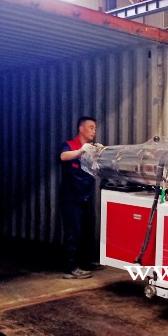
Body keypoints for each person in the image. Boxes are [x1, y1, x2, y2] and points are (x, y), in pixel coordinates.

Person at [59, 116, 104, 279]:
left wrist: (100, 152)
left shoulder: (91, 148)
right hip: (71, 197)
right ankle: (71, 267)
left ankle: (86, 261)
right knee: (73, 232)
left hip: (86, 196)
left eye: (95, 128)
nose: (94, 131)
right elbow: (63, 156)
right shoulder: (70, 145)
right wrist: (80, 151)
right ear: (81, 128)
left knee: (87, 231)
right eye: (91, 127)